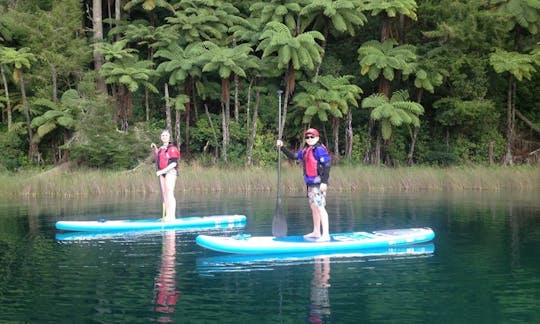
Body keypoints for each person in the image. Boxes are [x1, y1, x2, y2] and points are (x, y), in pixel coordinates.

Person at [276, 128, 332, 242]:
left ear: (317, 138)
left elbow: (327, 165)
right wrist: (282, 147)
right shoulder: (306, 150)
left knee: (321, 208)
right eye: (307, 137)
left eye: (312, 137)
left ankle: (326, 235)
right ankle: (316, 232)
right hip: (310, 185)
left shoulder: (319, 150)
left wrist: (324, 182)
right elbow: (293, 156)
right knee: (314, 208)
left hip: (318, 184)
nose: (309, 139)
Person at [151, 130, 180, 222]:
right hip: (162, 173)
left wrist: (162, 171)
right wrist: (155, 148)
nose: (164, 137)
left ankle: (172, 216)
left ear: (169, 137)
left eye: (166, 135)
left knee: (169, 192)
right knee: (164, 194)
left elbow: (174, 163)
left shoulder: (172, 148)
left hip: (170, 172)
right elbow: (160, 156)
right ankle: (167, 215)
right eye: (163, 135)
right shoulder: (160, 149)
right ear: (161, 137)